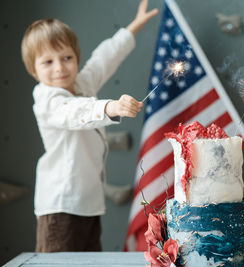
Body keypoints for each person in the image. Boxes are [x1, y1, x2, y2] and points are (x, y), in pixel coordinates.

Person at [21, 0, 158, 252]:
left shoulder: (82, 83)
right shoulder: (46, 99)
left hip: (89, 204)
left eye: (66, 57)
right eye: (48, 62)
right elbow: (75, 111)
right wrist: (111, 107)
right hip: (61, 205)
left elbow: (105, 58)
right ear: (33, 69)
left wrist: (133, 28)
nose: (60, 67)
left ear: (76, 57)